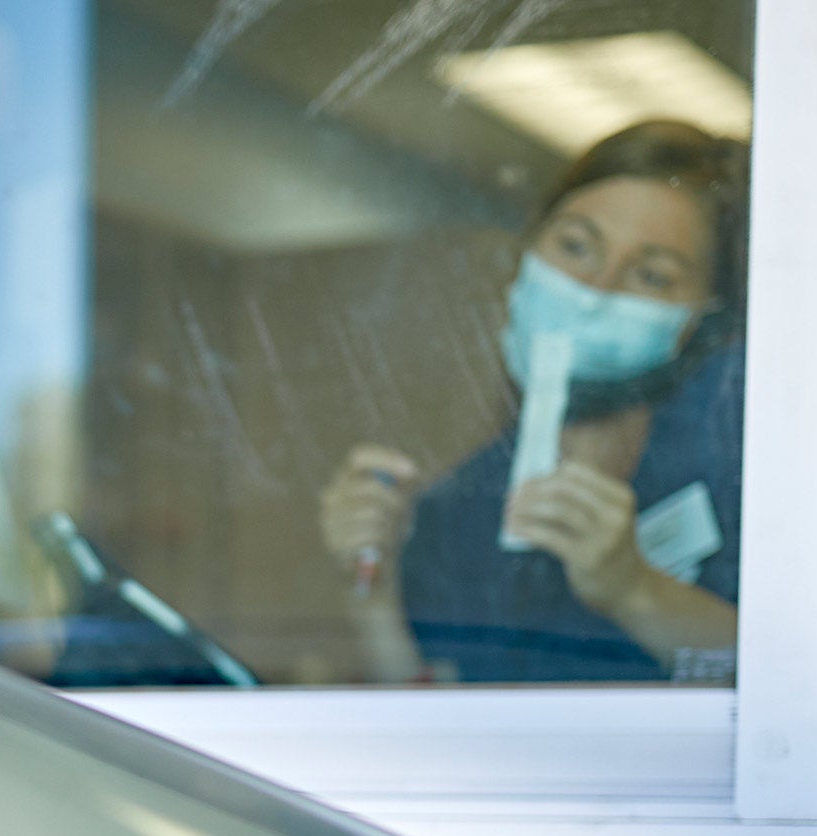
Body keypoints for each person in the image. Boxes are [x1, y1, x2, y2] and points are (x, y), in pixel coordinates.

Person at [317, 121, 748, 684]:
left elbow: (792, 695)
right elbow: (436, 728)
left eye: (651, 275)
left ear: (705, 321)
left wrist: (636, 590)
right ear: (526, 252)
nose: (595, 287)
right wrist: (370, 586)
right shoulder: (458, 508)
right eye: (575, 246)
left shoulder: (745, 480)